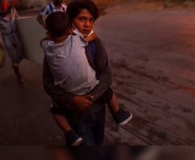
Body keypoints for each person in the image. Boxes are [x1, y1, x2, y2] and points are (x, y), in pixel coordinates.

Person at [41, 12, 132, 146]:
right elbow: (48, 84)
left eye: (91, 20)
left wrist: (85, 98)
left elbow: (106, 75)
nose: (87, 25)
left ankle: (69, 133)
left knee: (56, 110)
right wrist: (73, 99)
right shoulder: (78, 40)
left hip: (91, 104)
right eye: (82, 19)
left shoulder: (48, 49)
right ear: (71, 26)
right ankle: (118, 114)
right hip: (83, 99)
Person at [0, 0, 24, 83]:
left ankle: (15, 64)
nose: (4, 4)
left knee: (21, 53)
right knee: (13, 56)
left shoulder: (12, 10)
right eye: (1, 3)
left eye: (5, 1)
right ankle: (18, 75)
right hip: (7, 37)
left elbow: (18, 19)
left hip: (16, 35)